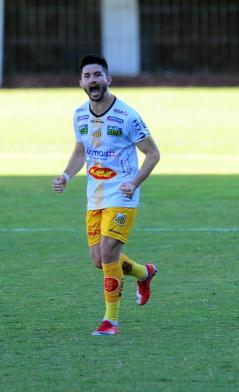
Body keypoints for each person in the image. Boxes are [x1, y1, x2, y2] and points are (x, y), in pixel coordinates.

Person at [52, 54, 160, 336]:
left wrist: (134, 182)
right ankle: (143, 273)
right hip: (95, 197)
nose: (92, 80)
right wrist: (65, 175)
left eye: (97, 75)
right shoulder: (79, 115)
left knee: (110, 252)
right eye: (87, 76)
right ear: (81, 83)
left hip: (123, 195)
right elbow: (80, 152)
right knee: (99, 261)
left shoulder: (127, 116)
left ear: (107, 79)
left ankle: (110, 321)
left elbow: (152, 153)